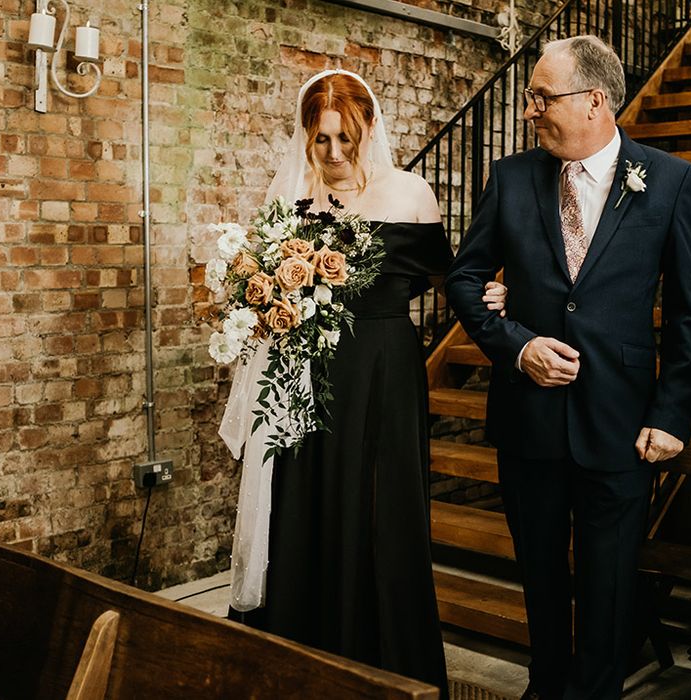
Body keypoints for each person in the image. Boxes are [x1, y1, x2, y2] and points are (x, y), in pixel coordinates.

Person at [220, 69, 506, 692]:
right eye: (320, 141)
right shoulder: (289, 200)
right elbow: (265, 287)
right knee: (306, 506)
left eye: (344, 139)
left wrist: (493, 296)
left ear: (369, 129)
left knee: (381, 512)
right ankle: (301, 656)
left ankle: (386, 665)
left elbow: (449, 279)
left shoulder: (410, 195)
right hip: (305, 380)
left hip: (383, 373)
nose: (333, 155)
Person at [445, 36, 691, 700]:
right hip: (529, 419)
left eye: (541, 96)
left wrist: (673, 415)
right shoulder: (511, 177)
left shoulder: (670, 181)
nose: (530, 110)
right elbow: (466, 280)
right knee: (541, 578)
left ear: (595, 101)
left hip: (622, 423)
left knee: (610, 587)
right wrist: (516, 345)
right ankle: (545, 687)